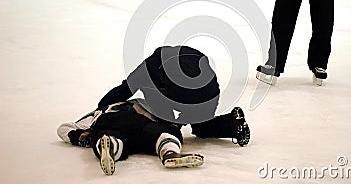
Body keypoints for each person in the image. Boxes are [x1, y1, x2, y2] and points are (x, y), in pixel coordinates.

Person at [58, 45, 250, 175]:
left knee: (158, 131)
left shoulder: (145, 80)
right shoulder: (152, 69)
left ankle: (110, 145)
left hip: (187, 91)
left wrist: (96, 115)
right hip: (209, 91)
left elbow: (124, 90)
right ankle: (230, 125)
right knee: (189, 129)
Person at [57, 99, 204, 175]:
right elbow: (172, 122)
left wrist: (80, 137)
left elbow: (63, 128)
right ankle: (169, 153)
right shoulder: (148, 106)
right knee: (163, 134)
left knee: (108, 135)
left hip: (113, 123)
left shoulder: (101, 111)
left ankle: (108, 146)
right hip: (142, 126)